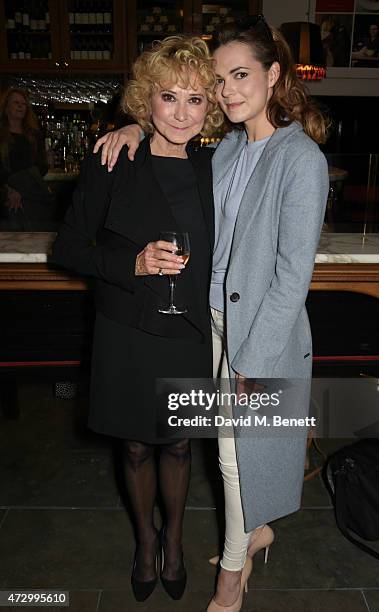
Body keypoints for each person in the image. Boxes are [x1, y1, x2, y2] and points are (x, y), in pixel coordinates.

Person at [94, 15, 329, 611]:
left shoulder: (299, 158)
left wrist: (252, 358)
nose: (226, 91)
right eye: (218, 79)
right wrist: (130, 126)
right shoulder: (222, 150)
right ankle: (254, 534)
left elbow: (291, 280)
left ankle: (231, 573)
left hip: (257, 339)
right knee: (226, 456)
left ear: (274, 76)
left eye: (240, 74)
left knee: (229, 459)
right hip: (208, 329)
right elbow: (167, 144)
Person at [51, 36, 223, 603]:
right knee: (133, 447)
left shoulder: (215, 163)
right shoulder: (114, 158)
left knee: (178, 446)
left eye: (195, 100)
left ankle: (174, 541)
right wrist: (131, 262)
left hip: (189, 330)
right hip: (127, 329)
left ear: (210, 108)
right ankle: (144, 542)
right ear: (146, 98)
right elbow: (69, 248)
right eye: (168, 96)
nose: (180, 112)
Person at [0, 88, 50, 230]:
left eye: (23, 104)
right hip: (5, 197)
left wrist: (23, 188)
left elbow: (42, 166)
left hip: (31, 197)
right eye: (16, 103)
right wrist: (8, 190)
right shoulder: (1, 135)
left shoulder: (33, 135)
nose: (21, 106)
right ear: (6, 107)